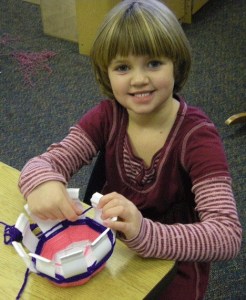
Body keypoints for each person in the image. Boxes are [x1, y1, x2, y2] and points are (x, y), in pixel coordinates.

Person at [18, 0, 242, 299]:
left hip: (173, 264)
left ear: (177, 63)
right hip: (108, 249)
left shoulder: (197, 138)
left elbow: (226, 235)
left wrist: (144, 231)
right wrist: (42, 182)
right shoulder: (108, 116)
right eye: (123, 67)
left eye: (153, 63)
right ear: (106, 73)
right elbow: (44, 164)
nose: (139, 79)